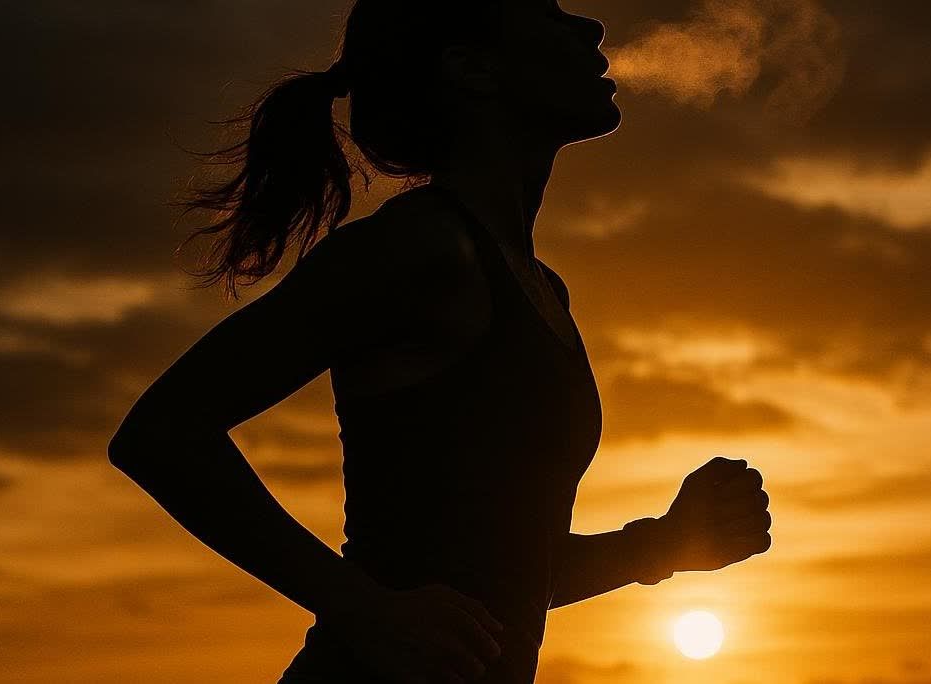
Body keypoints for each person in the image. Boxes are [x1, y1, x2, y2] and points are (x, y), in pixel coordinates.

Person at [107, 1, 773, 681]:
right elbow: (161, 432)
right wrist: (361, 608)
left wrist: (659, 545)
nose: (591, 28)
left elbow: (495, 574)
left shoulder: (538, 287)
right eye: (546, 11)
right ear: (471, 68)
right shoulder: (420, 249)